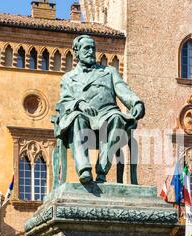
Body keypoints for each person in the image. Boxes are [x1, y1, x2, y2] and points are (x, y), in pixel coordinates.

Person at [54, 35, 145, 183]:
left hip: (107, 114)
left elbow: (124, 91)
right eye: (86, 48)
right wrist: (79, 104)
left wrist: (137, 103)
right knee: (76, 119)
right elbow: (64, 102)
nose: (91, 51)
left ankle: (102, 170)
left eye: (93, 48)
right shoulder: (68, 78)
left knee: (117, 118)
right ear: (76, 52)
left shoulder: (109, 72)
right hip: (82, 115)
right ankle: (84, 169)